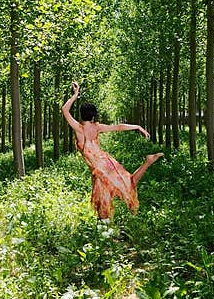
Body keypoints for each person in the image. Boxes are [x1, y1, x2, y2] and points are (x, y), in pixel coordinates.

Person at [62, 82, 163, 220]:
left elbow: (64, 110)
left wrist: (75, 95)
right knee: (119, 186)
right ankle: (104, 228)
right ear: (93, 116)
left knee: (112, 190)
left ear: (82, 115)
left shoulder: (79, 128)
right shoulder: (97, 127)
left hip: (99, 167)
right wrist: (137, 127)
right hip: (106, 162)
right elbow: (119, 127)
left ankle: (104, 228)